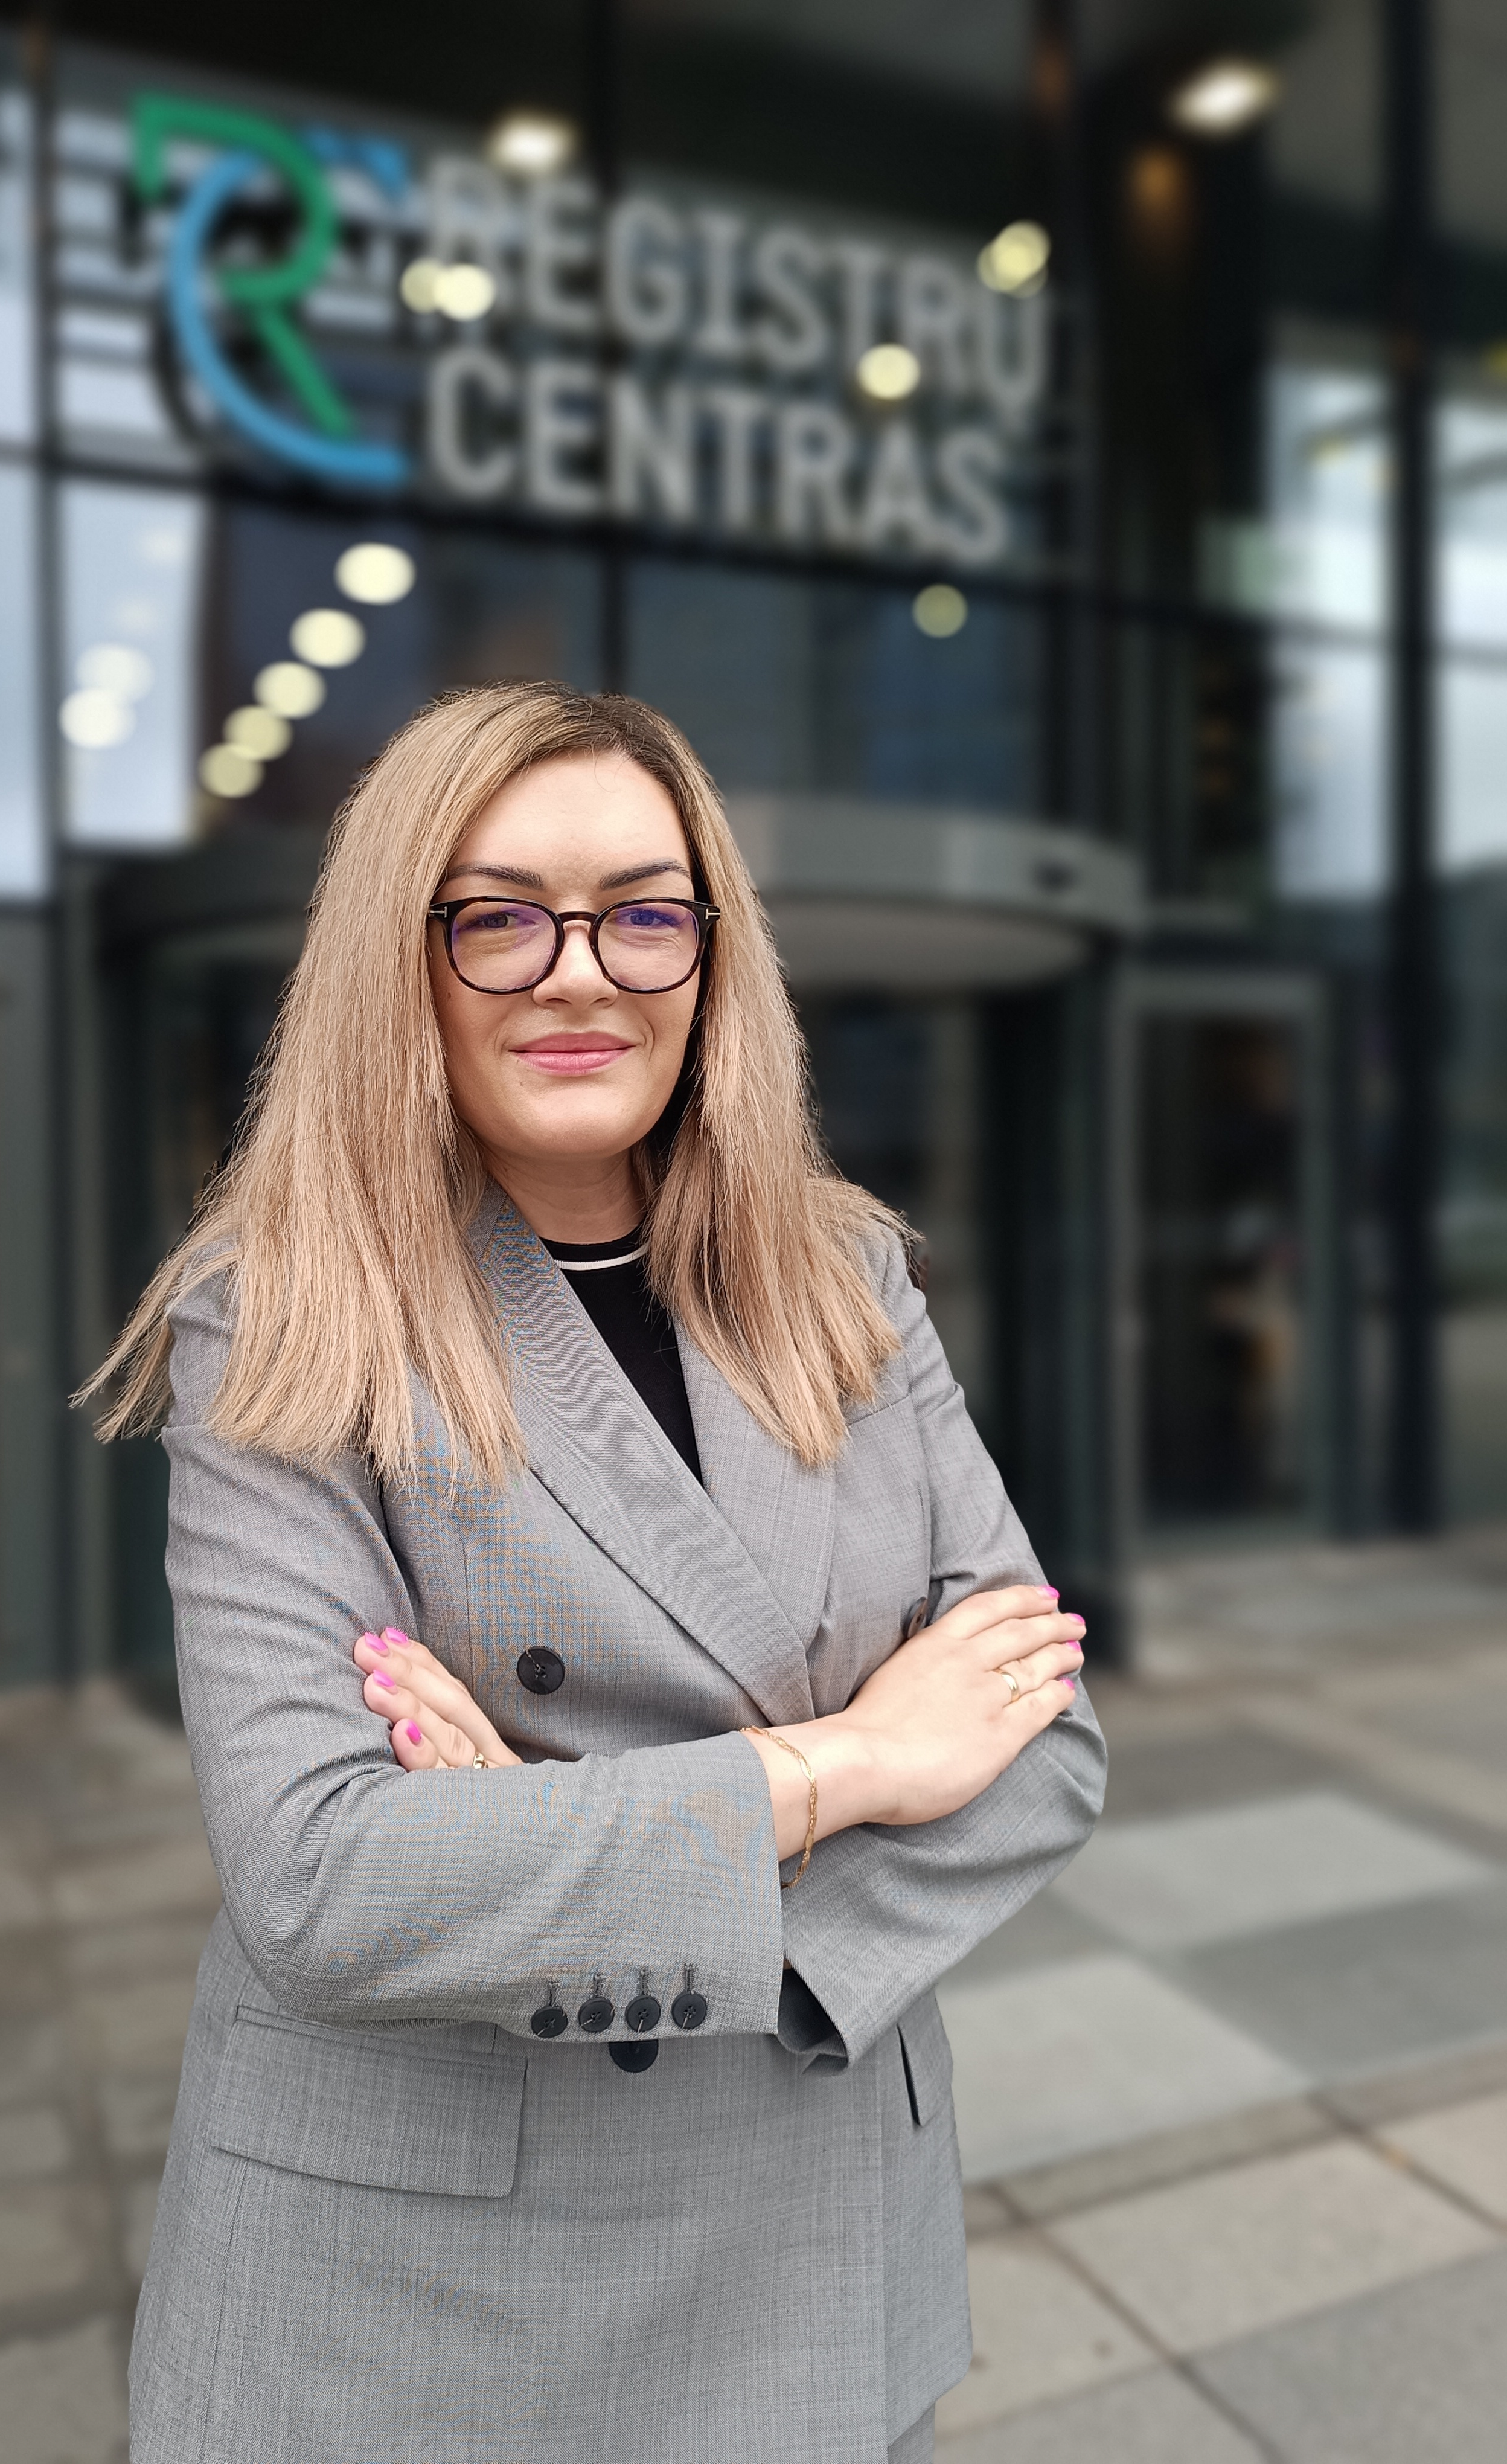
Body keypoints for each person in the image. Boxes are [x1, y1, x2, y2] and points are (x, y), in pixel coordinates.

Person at [88, 682, 1105, 2464]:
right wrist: (847, 1765)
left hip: (812, 2200)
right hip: (423, 2293)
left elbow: (1044, 1745)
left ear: (711, 957)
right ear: (398, 959)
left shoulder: (847, 1281)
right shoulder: (282, 1313)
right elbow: (324, 1881)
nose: (579, 976)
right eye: (498, 919)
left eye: (643, 914)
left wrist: (556, 1847)